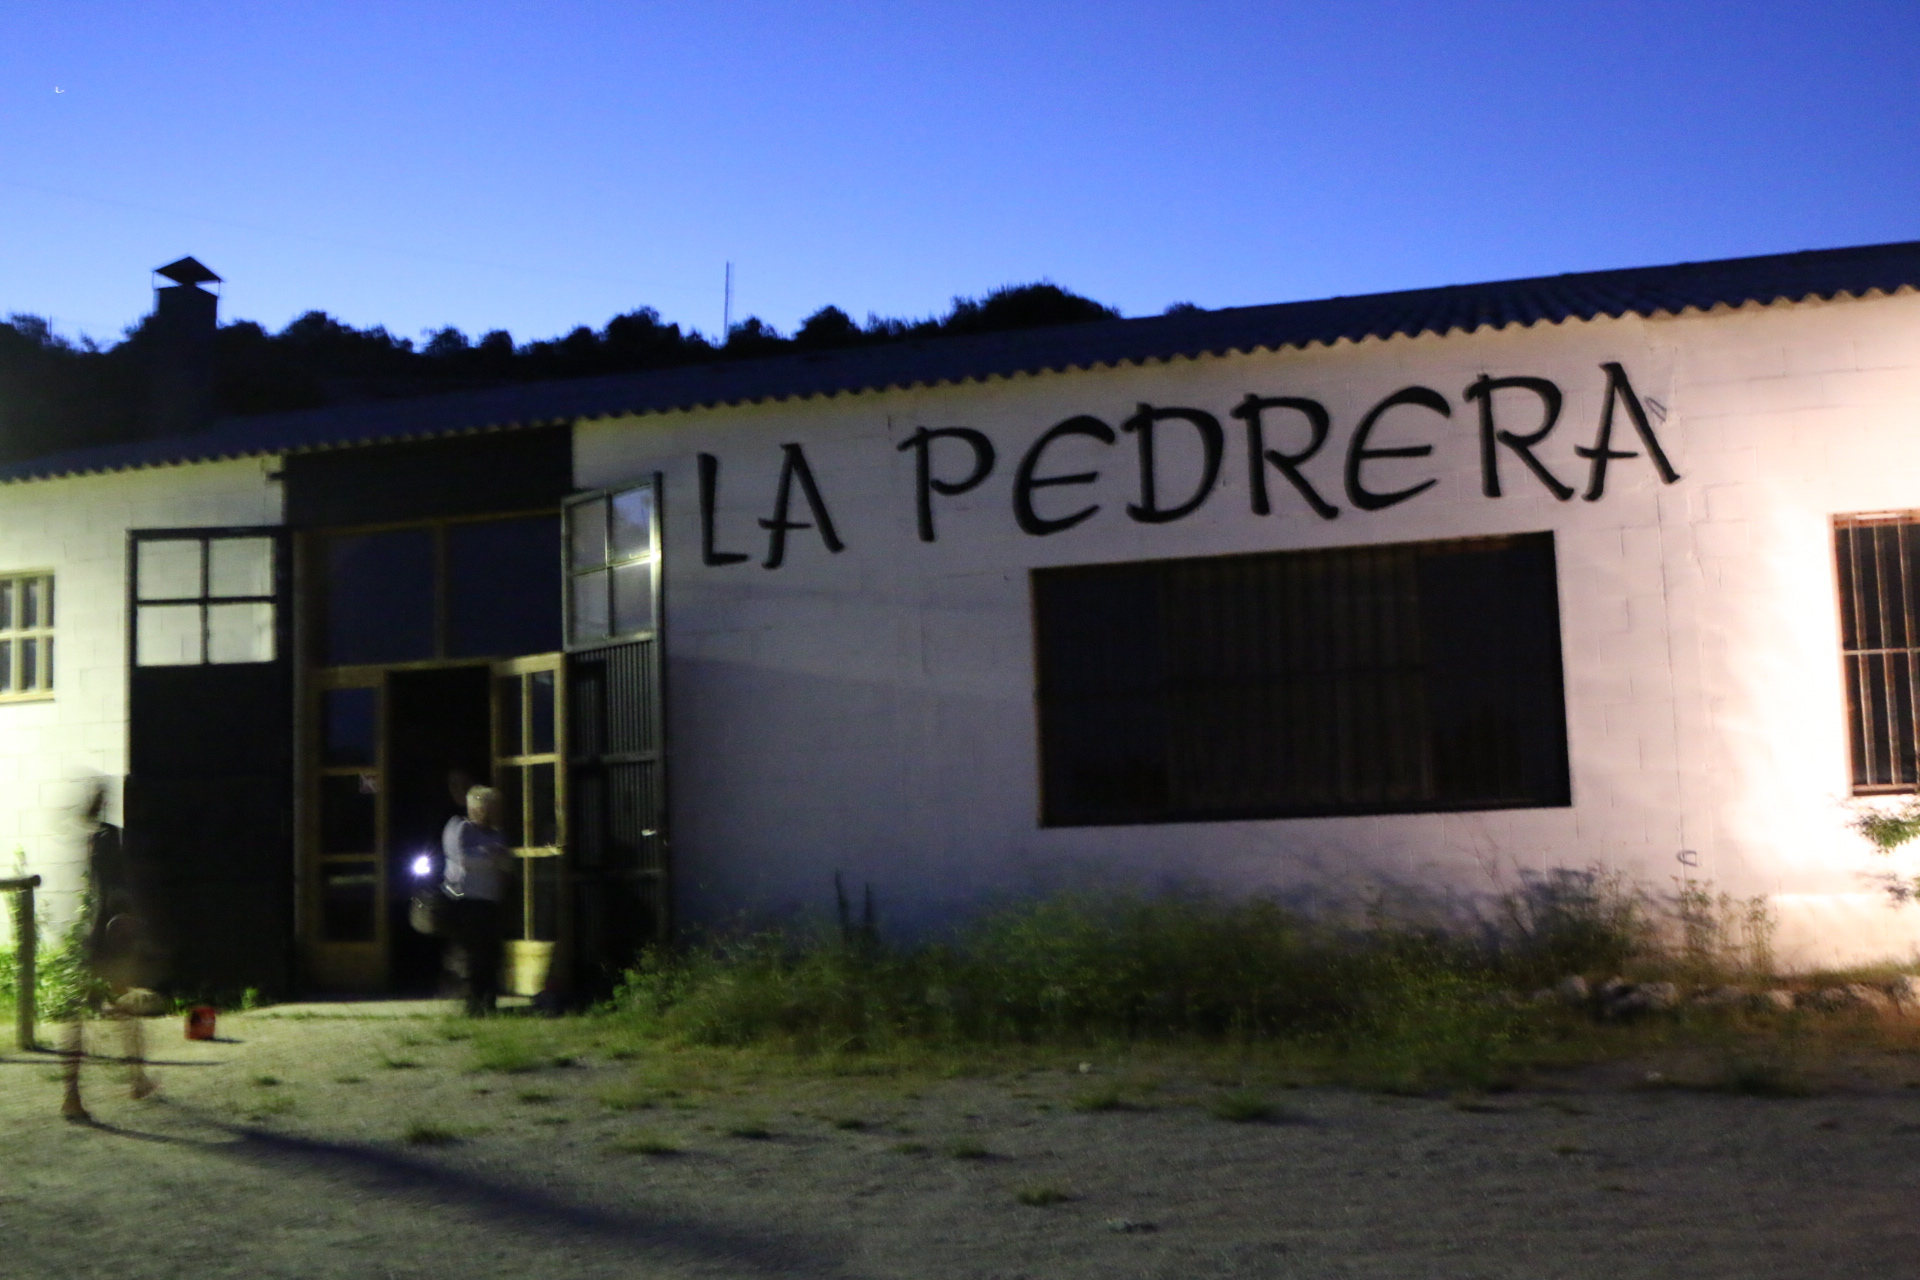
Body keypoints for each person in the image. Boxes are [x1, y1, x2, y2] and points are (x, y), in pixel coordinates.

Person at [62, 780, 162, 1122]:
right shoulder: (112, 838)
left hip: (97, 933)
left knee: (89, 1012)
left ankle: (80, 1092)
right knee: (119, 1009)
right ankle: (127, 1082)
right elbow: (117, 889)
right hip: (113, 935)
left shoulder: (94, 838)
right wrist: (132, 925)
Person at [442, 784, 511, 1016]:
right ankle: (473, 1004)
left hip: (491, 901)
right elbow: (462, 858)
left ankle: (488, 1002)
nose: (492, 812)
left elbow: (506, 864)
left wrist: (493, 857)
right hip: (467, 901)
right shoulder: (460, 827)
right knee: (472, 956)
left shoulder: (497, 832)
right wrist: (491, 854)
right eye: (488, 807)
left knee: (490, 955)